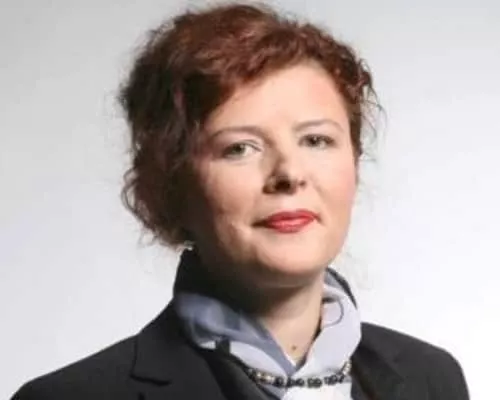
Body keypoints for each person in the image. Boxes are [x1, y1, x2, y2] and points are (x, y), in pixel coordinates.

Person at [11, 3, 469, 400]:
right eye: (239, 148)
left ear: (355, 162)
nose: (289, 174)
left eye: (316, 140)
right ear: (169, 184)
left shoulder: (432, 379)